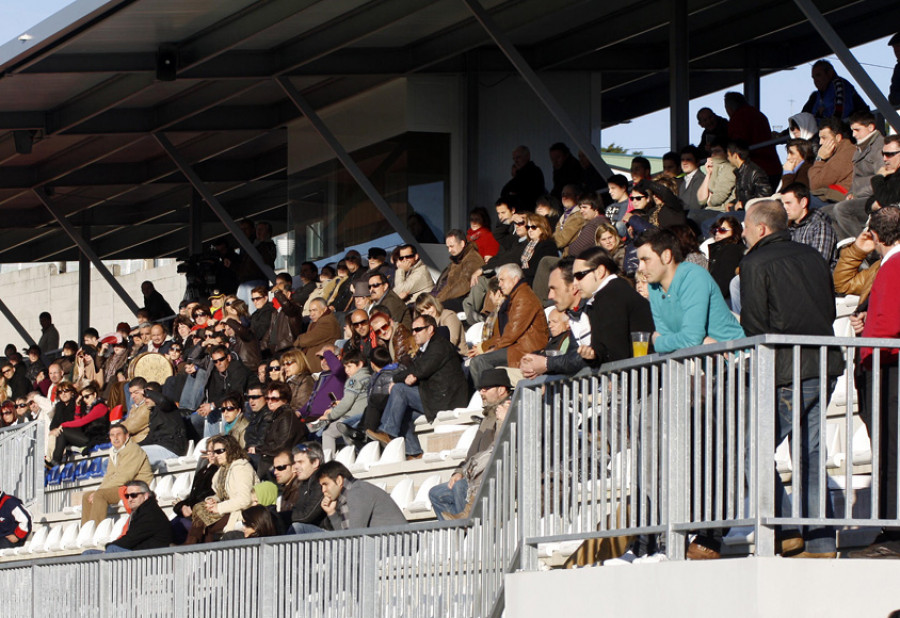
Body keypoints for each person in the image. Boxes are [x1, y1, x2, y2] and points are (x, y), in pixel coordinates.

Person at [739, 198, 843, 559]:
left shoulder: (754, 262)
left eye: (746, 227)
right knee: (811, 453)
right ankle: (820, 539)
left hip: (786, 370)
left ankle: (783, 530)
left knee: (751, 448)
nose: (743, 233)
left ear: (762, 229)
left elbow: (754, 324)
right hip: (824, 363)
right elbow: (828, 309)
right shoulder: (814, 257)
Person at [848, 206, 900, 558]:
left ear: (876, 236)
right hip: (884, 362)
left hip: (888, 366)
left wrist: (867, 343)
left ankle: (893, 531)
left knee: (891, 447)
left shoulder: (893, 265)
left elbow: (889, 323)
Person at [366, 315, 469, 458]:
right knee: (402, 409)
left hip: (445, 399)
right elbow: (413, 369)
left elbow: (421, 369)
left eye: (418, 329)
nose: (414, 333)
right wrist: (399, 378)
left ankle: (388, 432)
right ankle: (414, 451)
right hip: (434, 396)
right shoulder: (424, 350)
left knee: (399, 391)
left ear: (430, 329)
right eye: (413, 330)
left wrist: (399, 380)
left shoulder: (440, 345)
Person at [636, 229, 744, 356]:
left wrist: (658, 342)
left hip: (737, 362)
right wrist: (699, 342)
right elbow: (669, 336)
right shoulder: (653, 287)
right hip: (701, 367)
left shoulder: (693, 276)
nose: (640, 268)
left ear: (666, 256)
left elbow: (690, 338)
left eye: (645, 260)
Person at [429, 368, 512, 520]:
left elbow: (502, 446)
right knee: (437, 493)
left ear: (501, 389)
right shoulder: (488, 414)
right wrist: (459, 471)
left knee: (461, 487)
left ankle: (469, 530)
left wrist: (504, 420)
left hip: (492, 475)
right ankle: (458, 534)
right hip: (474, 474)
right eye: (480, 389)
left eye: (486, 389)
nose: (481, 392)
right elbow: (473, 452)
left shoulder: (509, 410)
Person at [468, 264, 549, 387]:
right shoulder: (515, 297)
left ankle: (491, 399)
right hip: (516, 347)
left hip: (526, 350)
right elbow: (505, 333)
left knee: (480, 361)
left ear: (515, 279)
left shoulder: (524, 298)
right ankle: (487, 396)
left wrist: (489, 349)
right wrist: (485, 347)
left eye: (502, 280)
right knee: (477, 360)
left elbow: (511, 333)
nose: (499, 284)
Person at [572, 247, 655, 366]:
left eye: (580, 275)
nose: (575, 283)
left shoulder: (612, 294)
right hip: (639, 375)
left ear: (600, 271)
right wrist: (592, 356)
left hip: (642, 377)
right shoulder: (608, 293)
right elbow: (606, 350)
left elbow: (617, 352)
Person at [186, 434, 259, 544]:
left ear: (230, 449)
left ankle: (191, 548)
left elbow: (245, 500)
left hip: (244, 511)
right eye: (215, 452)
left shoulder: (241, 468)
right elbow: (222, 495)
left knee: (207, 525)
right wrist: (213, 500)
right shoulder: (223, 469)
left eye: (220, 451)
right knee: (201, 513)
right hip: (230, 509)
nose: (216, 455)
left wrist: (218, 507)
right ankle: (194, 550)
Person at [81, 424, 154, 526]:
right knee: (87, 496)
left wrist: (98, 492)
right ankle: (85, 531)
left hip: (137, 487)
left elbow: (124, 477)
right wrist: (99, 490)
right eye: (112, 435)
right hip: (124, 486)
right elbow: (109, 475)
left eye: (118, 434)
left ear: (126, 436)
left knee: (99, 495)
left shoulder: (133, 450)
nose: (115, 438)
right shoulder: (113, 452)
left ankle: (96, 530)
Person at [318, 460, 406, 529]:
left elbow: (354, 538)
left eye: (326, 484)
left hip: (396, 547)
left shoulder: (357, 492)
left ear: (339, 480)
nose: (323, 490)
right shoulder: (348, 494)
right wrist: (331, 512)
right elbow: (346, 537)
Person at [314, 350, 372, 453]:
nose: (346, 370)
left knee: (328, 433)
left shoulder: (353, 380)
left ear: (360, 364)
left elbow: (347, 403)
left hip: (353, 418)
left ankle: (329, 462)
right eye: (345, 367)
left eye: (349, 366)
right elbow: (359, 399)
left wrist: (330, 415)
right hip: (366, 415)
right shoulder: (369, 377)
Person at [724, 91, 782, 188]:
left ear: (729, 108)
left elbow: (738, 143)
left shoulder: (738, 118)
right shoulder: (759, 115)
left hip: (756, 169)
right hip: (773, 166)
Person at [98, 481, 172, 553]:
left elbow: (130, 539)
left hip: (150, 557)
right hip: (138, 553)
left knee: (112, 549)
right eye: (127, 496)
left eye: (134, 495)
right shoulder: (141, 511)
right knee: (89, 553)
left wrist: (109, 546)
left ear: (145, 496)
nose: (130, 499)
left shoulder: (151, 513)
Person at [49, 382, 109, 465]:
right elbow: (79, 420)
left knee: (64, 430)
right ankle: (55, 461)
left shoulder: (100, 407)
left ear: (94, 395)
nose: (84, 400)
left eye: (87, 397)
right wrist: (78, 406)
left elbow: (81, 422)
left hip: (96, 438)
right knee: (61, 433)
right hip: (89, 436)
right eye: (83, 397)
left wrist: (63, 425)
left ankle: (55, 461)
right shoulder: (90, 408)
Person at [258, 381, 308, 479]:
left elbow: (284, 445)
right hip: (274, 456)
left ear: (284, 400)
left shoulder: (287, 416)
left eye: (274, 399)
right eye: (267, 398)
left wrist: (260, 450)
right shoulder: (275, 417)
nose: (269, 401)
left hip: (287, 460)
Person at [781, 182, 837, 265]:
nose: (785, 208)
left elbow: (819, 262)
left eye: (789, 203)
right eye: (783, 204)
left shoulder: (821, 226)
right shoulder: (788, 230)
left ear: (803, 202)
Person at [432, 230, 484, 312]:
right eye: (448, 247)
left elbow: (463, 285)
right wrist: (436, 299)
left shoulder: (472, 259)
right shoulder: (457, 260)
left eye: (452, 246)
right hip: (453, 298)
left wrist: (438, 301)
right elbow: (449, 285)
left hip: (465, 301)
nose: (449, 250)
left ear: (462, 244)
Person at [801, 59, 866, 124]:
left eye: (818, 75)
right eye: (813, 78)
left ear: (830, 73)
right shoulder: (816, 96)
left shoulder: (839, 85)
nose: (815, 80)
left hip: (851, 128)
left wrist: (821, 115)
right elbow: (808, 120)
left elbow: (840, 114)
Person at [808, 117, 855, 204]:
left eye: (824, 138)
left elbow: (815, 184)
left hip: (837, 199)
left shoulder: (846, 153)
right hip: (830, 196)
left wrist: (820, 159)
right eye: (820, 138)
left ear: (838, 138)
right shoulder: (836, 153)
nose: (820, 142)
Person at [288, 442, 330, 534]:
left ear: (315, 462)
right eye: (295, 462)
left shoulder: (322, 481)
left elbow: (306, 516)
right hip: (314, 534)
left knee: (297, 528)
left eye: (300, 462)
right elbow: (297, 511)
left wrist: (281, 518)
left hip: (330, 537)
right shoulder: (304, 483)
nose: (295, 467)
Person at [293, 298, 342, 370]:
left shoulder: (328, 322)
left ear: (324, 309)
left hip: (320, 367)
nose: (311, 314)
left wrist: (297, 341)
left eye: (314, 310)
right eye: (310, 311)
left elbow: (307, 339)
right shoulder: (316, 322)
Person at [707, 216, 746, 303]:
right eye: (715, 230)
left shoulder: (731, 250)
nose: (717, 233)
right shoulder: (720, 249)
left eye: (722, 230)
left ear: (735, 231)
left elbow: (723, 284)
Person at [727, 140, 772, 211]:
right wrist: (733, 203)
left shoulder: (755, 172)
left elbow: (765, 197)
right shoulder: (740, 172)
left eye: (728, 155)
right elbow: (741, 197)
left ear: (735, 156)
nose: (728, 158)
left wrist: (743, 204)